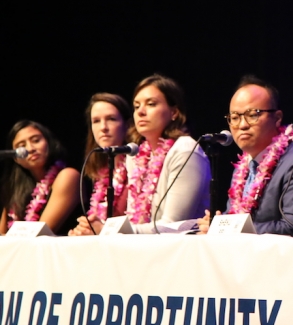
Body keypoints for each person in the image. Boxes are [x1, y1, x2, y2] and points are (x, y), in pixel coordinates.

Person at [73, 74, 210, 234]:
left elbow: (174, 225)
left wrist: (108, 231)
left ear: (174, 112)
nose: (141, 112)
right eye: (136, 106)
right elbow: (135, 219)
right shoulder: (136, 156)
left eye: (151, 104)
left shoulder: (185, 150)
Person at [197, 75, 293, 236]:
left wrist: (227, 229)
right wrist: (220, 224)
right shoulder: (243, 168)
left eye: (252, 115)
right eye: (235, 118)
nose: (242, 125)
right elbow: (235, 218)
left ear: (277, 118)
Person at [0, 120, 80, 235]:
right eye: (21, 146)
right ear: (15, 158)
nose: (30, 148)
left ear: (49, 143)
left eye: (36, 140)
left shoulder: (68, 176)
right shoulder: (14, 190)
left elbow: (39, 233)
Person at [68, 93, 131, 236]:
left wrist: (100, 230)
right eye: (96, 121)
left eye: (111, 119)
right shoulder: (102, 173)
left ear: (127, 124)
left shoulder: (137, 169)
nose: (103, 127)